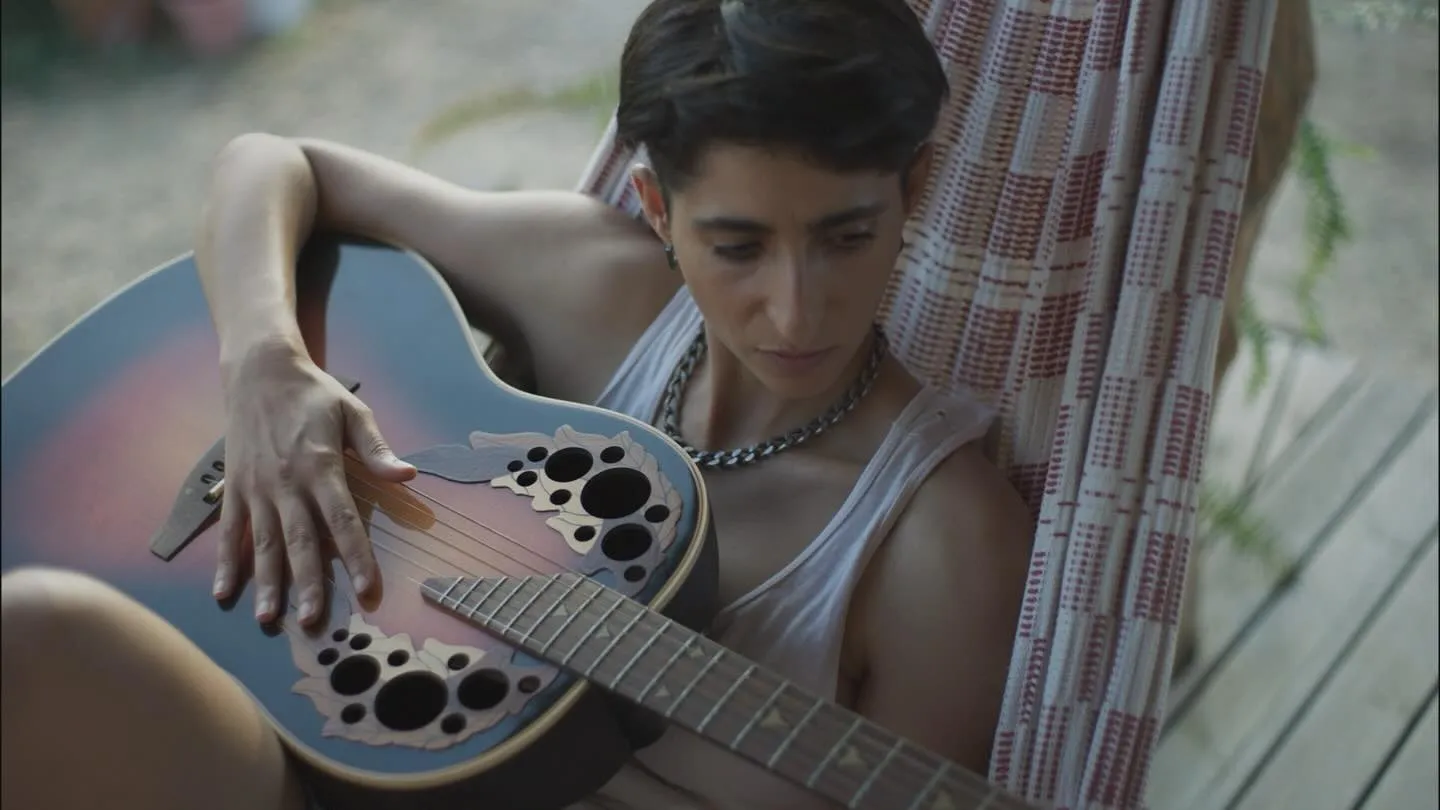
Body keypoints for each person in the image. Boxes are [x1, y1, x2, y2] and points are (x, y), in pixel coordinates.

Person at [0, 0, 1034, 808]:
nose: (797, 307)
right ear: (657, 209)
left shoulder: (942, 540)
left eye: (848, 236)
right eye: (738, 246)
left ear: (916, 191)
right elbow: (273, 163)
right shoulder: (602, 292)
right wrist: (267, 367)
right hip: (286, 750)